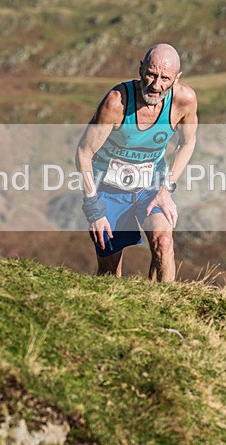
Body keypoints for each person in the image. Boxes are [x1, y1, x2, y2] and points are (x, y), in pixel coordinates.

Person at [75, 44, 198, 281]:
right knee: (110, 272)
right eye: (151, 74)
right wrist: (93, 208)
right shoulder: (116, 103)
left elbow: (188, 143)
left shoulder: (184, 100)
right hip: (108, 189)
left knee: (163, 242)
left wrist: (166, 189)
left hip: (150, 186)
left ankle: (168, 309)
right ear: (141, 69)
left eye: (165, 78)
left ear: (176, 78)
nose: (156, 85)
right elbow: (83, 152)